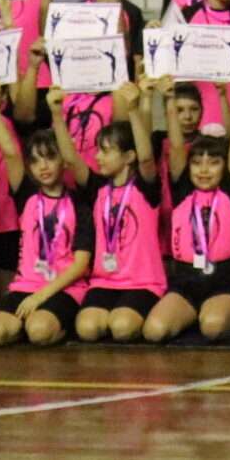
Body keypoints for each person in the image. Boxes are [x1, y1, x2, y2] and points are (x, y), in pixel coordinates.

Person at [142, 118, 230, 345]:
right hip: (186, 280)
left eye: (213, 163)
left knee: (213, 327)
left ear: (224, 166)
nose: (204, 170)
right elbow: (175, 146)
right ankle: (193, 313)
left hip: (224, 280)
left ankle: (226, 309)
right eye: (196, 162)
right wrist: (169, 99)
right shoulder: (182, 190)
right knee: (154, 331)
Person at [72, 83, 164, 344]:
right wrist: (57, 115)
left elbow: (146, 159)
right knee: (87, 329)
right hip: (104, 281)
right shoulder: (99, 189)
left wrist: (134, 109)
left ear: (128, 156)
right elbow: (71, 161)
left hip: (142, 283)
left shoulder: (145, 188)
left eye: (106, 151)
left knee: (121, 327)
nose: (98, 157)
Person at [0, 128, 90, 348]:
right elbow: (11, 153)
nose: (43, 166)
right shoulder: (27, 196)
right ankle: (29, 324)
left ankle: (56, 324)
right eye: (35, 160)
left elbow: (80, 265)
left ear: (63, 160)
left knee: (39, 332)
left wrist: (40, 297)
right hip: (26, 286)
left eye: (50, 157)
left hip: (64, 288)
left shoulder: (79, 204)